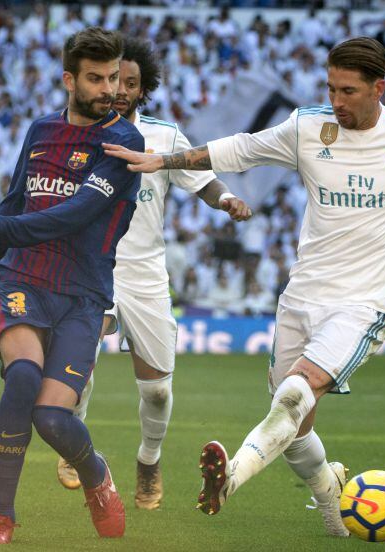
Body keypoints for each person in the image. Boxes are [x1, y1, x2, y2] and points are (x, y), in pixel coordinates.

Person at [103, 37, 385, 537]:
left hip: (362, 304)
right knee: (295, 429)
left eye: (348, 91)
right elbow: (241, 149)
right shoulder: (308, 127)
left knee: (295, 393)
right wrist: (165, 162)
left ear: (378, 88)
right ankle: (332, 498)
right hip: (301, 296)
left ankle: (229, 479)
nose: (337, 101)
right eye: (331, 88)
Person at [0, 27, 143, 543]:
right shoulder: (41, 131)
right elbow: (16, 207)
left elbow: (75, 214)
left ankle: (96, 473)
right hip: (23, 278)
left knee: (51, 419)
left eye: (114, 77)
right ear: (70, 79)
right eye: (95, 79)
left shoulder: (126, 142)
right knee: (22, 378)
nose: (108, 88)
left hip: (84, 294)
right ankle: (1, 516)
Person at [53, 37, 252, 510]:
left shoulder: (162, 136)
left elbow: (201, 179)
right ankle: (73, 443)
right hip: (91, 268)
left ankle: (149, 459)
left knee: (158, 391)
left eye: (132, 83)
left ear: (144, 90)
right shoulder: (78, 131)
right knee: (76, 363)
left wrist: (225, 200)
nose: (120, 89)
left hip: (144, 274)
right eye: (114, 78)